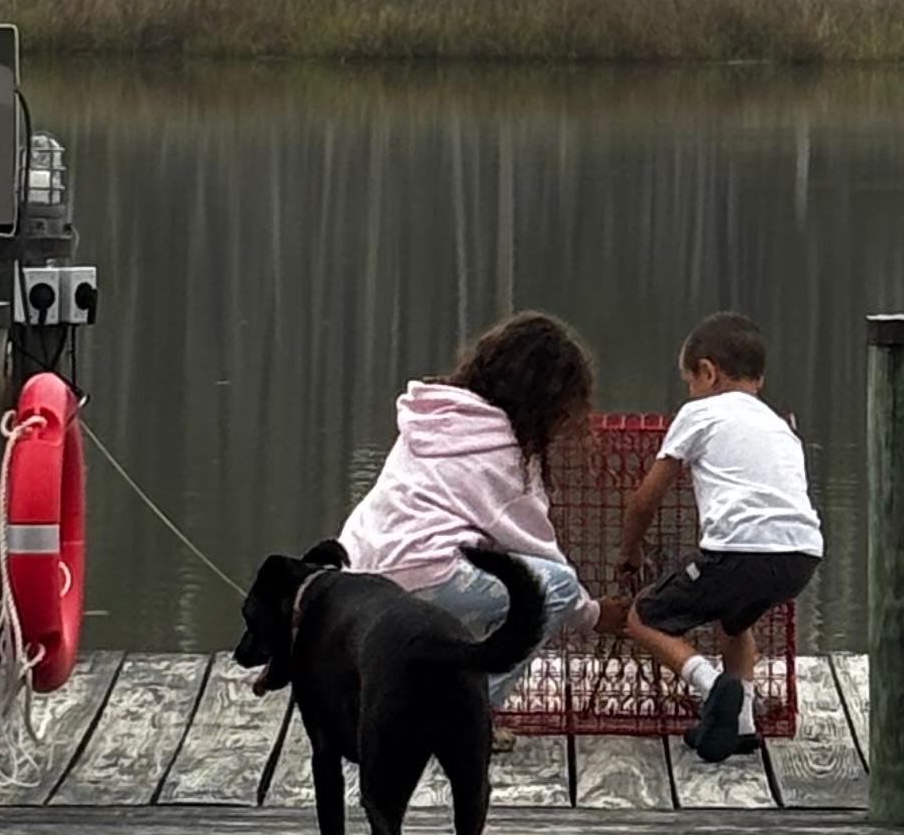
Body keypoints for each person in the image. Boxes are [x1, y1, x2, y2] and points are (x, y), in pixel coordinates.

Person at [338, 309, 599, 688]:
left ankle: (431, 692)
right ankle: (470, 710)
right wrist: (590, 614)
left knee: (488, 574)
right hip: (416, 573)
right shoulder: (502, 453)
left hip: (358, 571)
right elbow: (539, 554)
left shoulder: (439, 417)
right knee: (554, 587)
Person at [612, 311, 822, 762]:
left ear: (707, 373)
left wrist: (629, 553)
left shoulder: (700, 412)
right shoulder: (780, 425)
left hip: (738, 552)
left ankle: (713, 688)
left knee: (643, 617)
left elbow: (644, 500)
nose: (689, 390)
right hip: (801, 555)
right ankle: (741, 725)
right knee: (735, 623)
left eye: (689, 380)